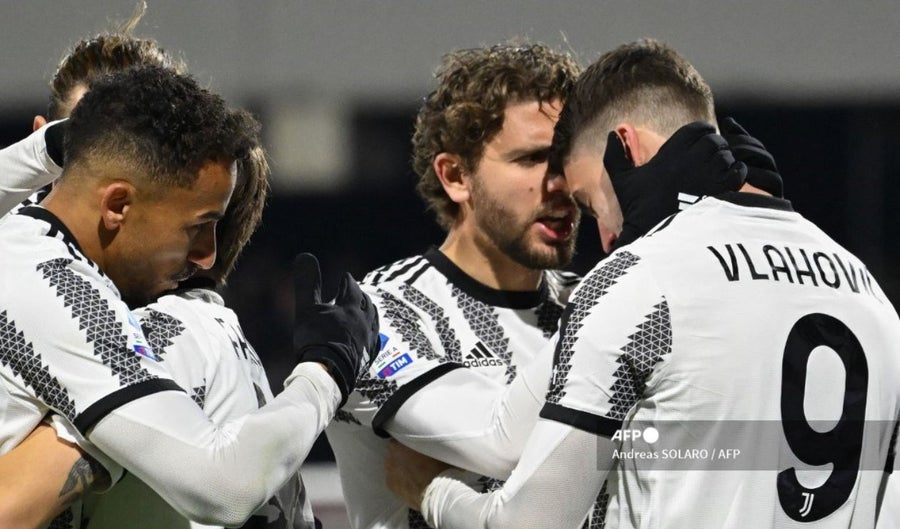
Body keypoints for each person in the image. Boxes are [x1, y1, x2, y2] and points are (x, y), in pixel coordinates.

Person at [384, 38, 900, 529]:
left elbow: (532, 520)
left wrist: (433, 492)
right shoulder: (866, 290)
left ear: (625, 146)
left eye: (591, 203)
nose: (607, 237)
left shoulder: (642, 281)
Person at [0, 64, 377, 528]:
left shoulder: (16, 237)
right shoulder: (61, 291)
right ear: (117, 204)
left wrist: (59, 143)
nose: (206, 254)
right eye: (198, 225)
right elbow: (224, 488)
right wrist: (327, 371)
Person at [322, 41, 604, 528]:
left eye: (567, 157)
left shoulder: (592, 303)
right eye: (533, 158)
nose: (560, 182)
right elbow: (501, 446)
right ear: (456, 176)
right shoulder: (376, 313)